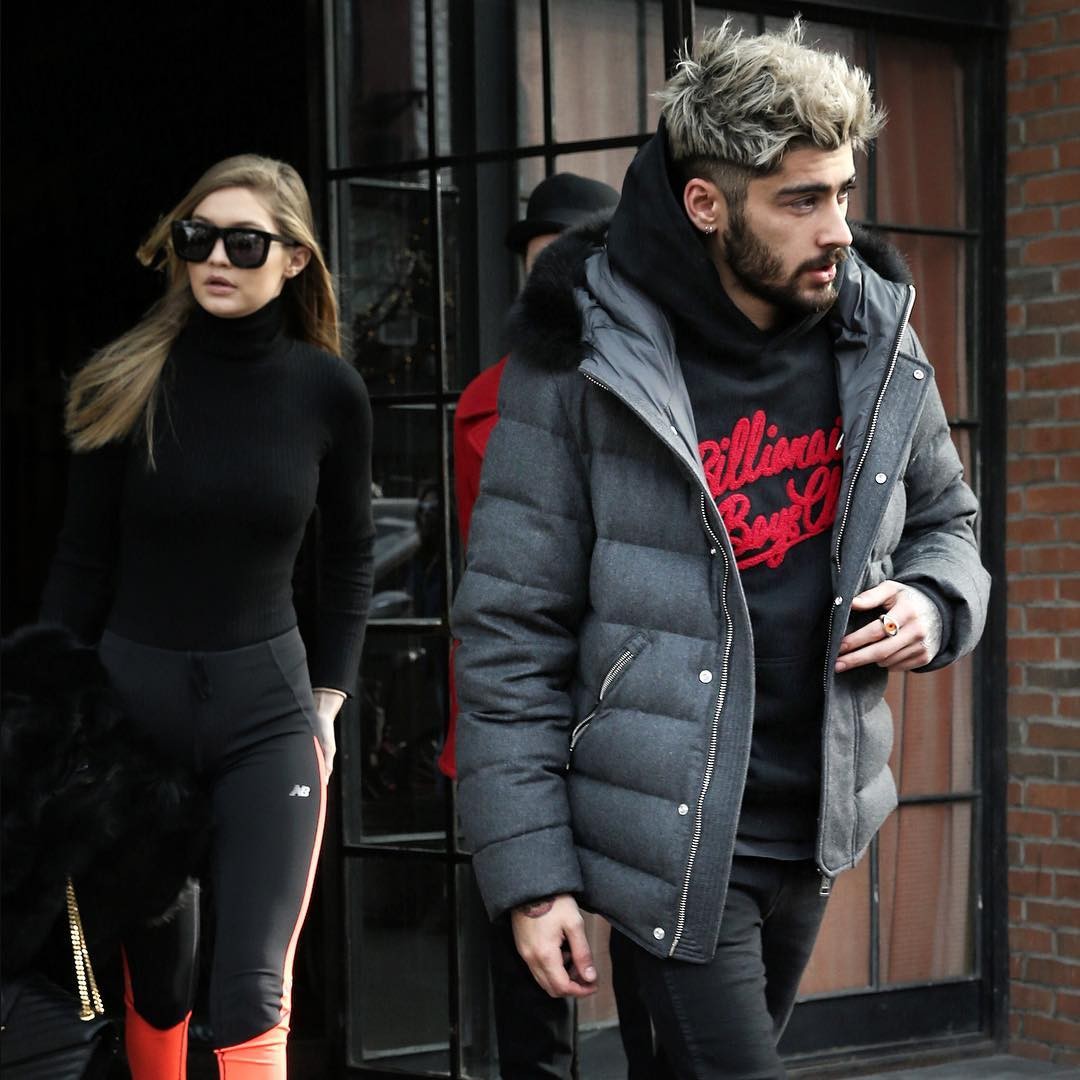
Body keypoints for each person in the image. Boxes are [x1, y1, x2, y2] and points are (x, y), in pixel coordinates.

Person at [452, 19, 989, 1079]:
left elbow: (950, 520)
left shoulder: (875, 334)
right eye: (801, 201)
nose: (837, 230)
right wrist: (532, 876)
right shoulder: (580, 355)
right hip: (673, 832)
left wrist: (934, 601)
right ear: (708, 204)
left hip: (816, 819)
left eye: (843, 193)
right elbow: (509, 634)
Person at [40, 154, 374, 1079]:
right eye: (197, 238)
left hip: (268, 715)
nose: (216, 258)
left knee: (255, 988)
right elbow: (79, 560)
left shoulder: (327, 391)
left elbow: (349, 557)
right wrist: (48, 710)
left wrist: (328, 700)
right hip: (133, 713)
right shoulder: (123, 379)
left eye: (244, 242)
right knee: (159, 982)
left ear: (295, 259)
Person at [443, 173, 623, 1080]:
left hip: (639, 712)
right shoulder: (491, 401)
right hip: (526, 716)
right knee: (532, 994)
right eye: (541, 261)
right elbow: (505, 596)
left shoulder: (668, 389)